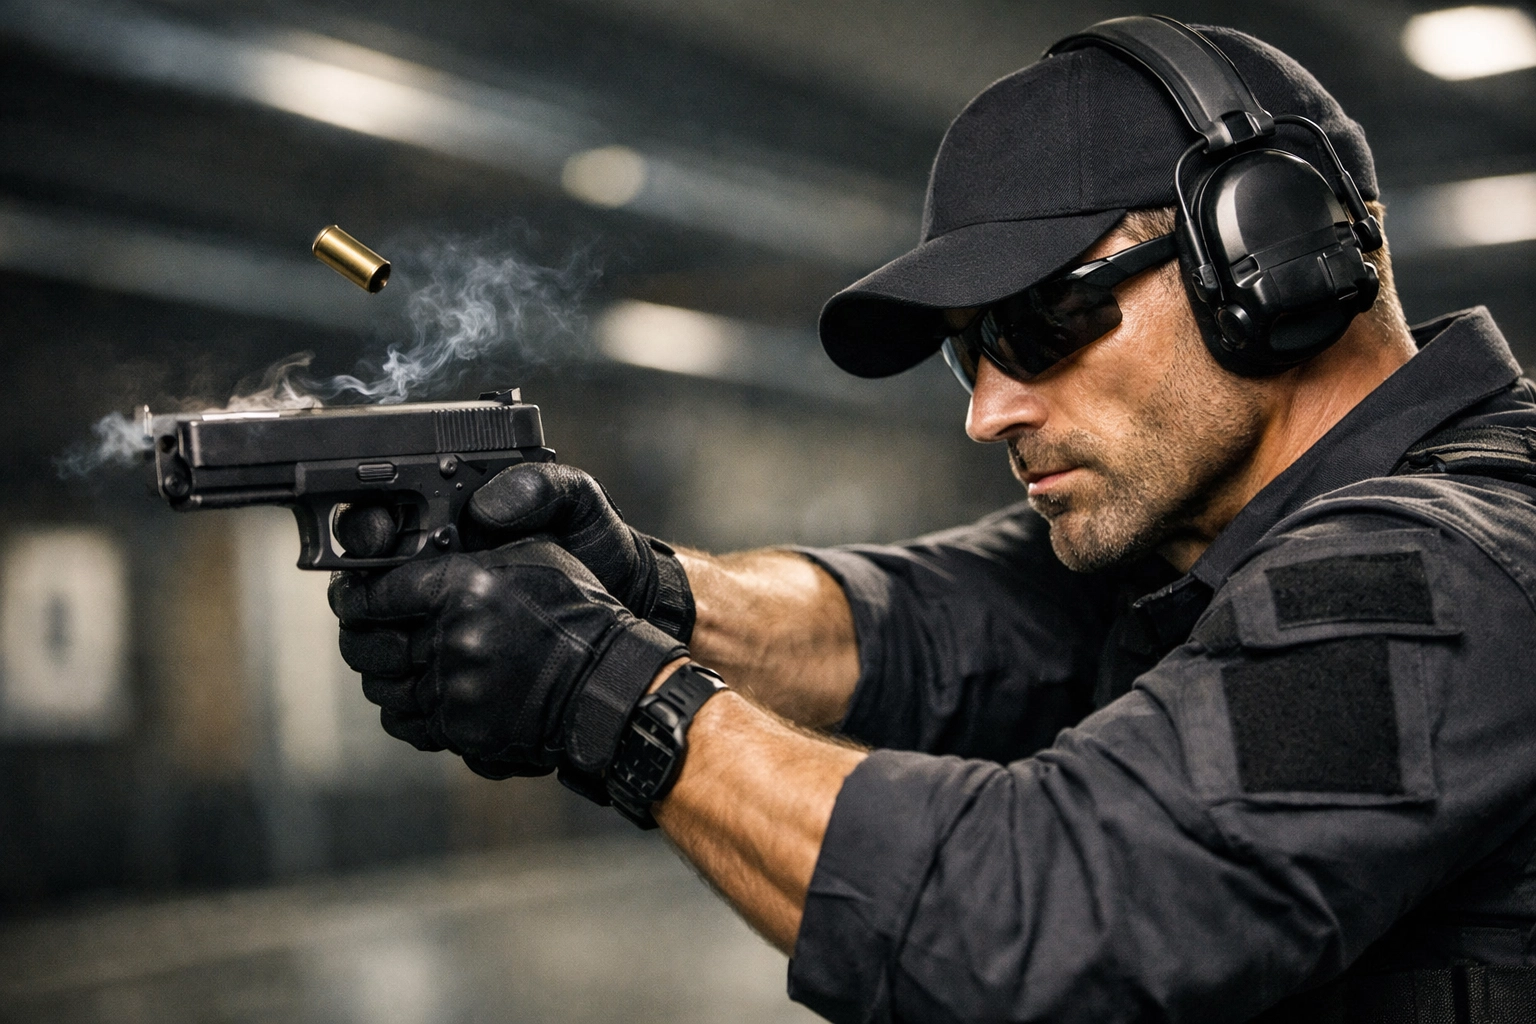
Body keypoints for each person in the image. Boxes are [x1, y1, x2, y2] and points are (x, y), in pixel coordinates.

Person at [327, 17, 1536, 1023]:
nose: (988, 410)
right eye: (971, 355)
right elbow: (923, 626)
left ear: (1266, 247)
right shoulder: (1204, 530)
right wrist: (645, 591)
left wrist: (612, 695)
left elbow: (1048, 915)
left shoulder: (1455, 560)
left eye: (1039, 325)